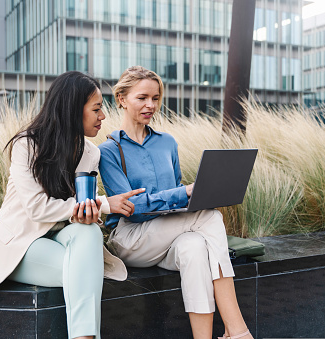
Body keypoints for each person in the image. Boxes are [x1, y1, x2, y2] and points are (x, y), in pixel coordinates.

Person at [0, 71, 143, 339]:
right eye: (96, 109)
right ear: (73, 109)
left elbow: (80, 208)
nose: (102, 117)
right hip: (21, 244)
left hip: (63, 236)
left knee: (90, 232)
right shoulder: (27, 145)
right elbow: (37, 208)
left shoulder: (90, 152)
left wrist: (89, 213)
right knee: (85, 269)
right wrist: (105, 204)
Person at [98, 66, 253, 339]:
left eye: (156, 98)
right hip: (131, 239)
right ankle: (237, 330)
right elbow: (131, 208)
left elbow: (176, 189)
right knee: (210, 217)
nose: (151, 105)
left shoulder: (167, 143)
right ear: (122, 99)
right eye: (142, 97)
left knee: (194, 247)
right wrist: (185, 194)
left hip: (166, 235)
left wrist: (196, 195)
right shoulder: (109, 151)